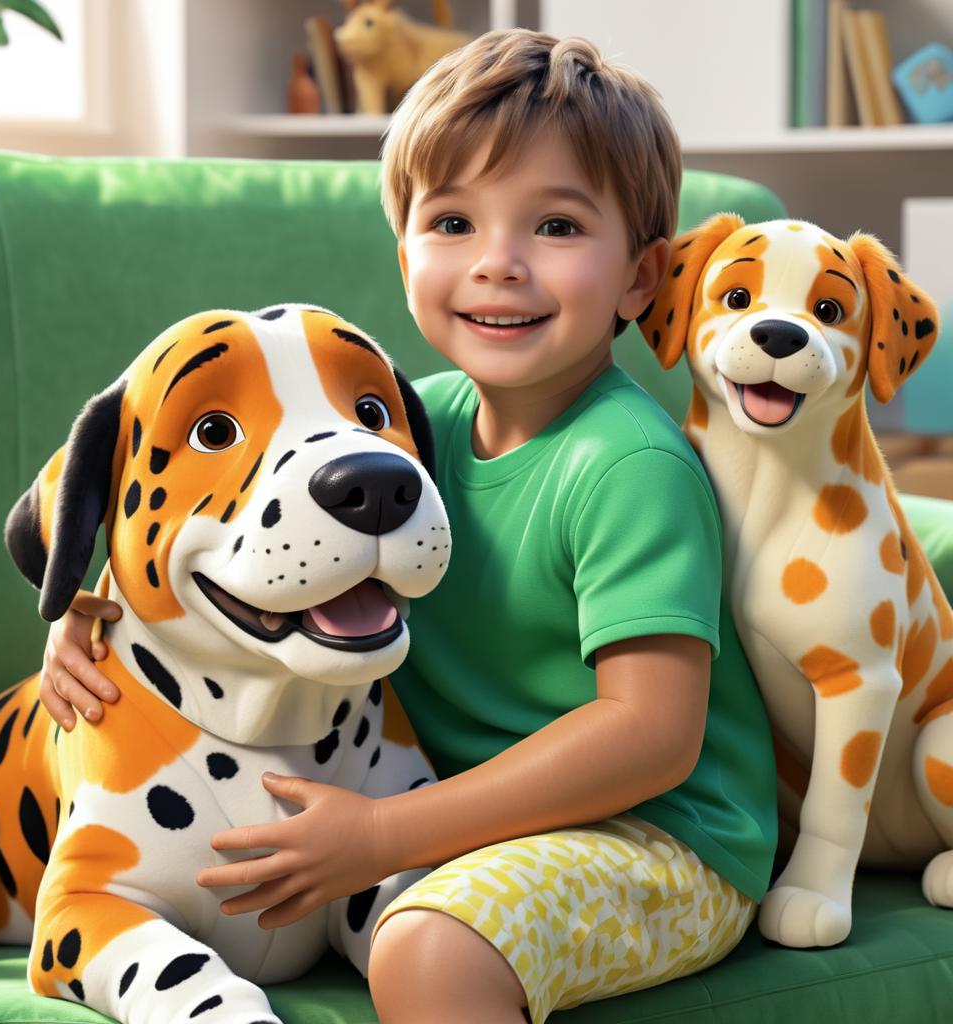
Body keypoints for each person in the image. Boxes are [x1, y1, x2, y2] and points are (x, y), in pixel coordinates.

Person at [38, 29, 777, 1024]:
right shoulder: (394, 427)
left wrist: (388, 834)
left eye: (555, 227)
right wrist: (83, 615)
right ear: (405, 253)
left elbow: (649, 735)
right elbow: (202, 533)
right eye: (453, 222)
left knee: (429, 948)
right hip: (469, 818)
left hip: (660, 837)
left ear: (641, 278)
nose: (498, 265)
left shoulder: (626, 466)